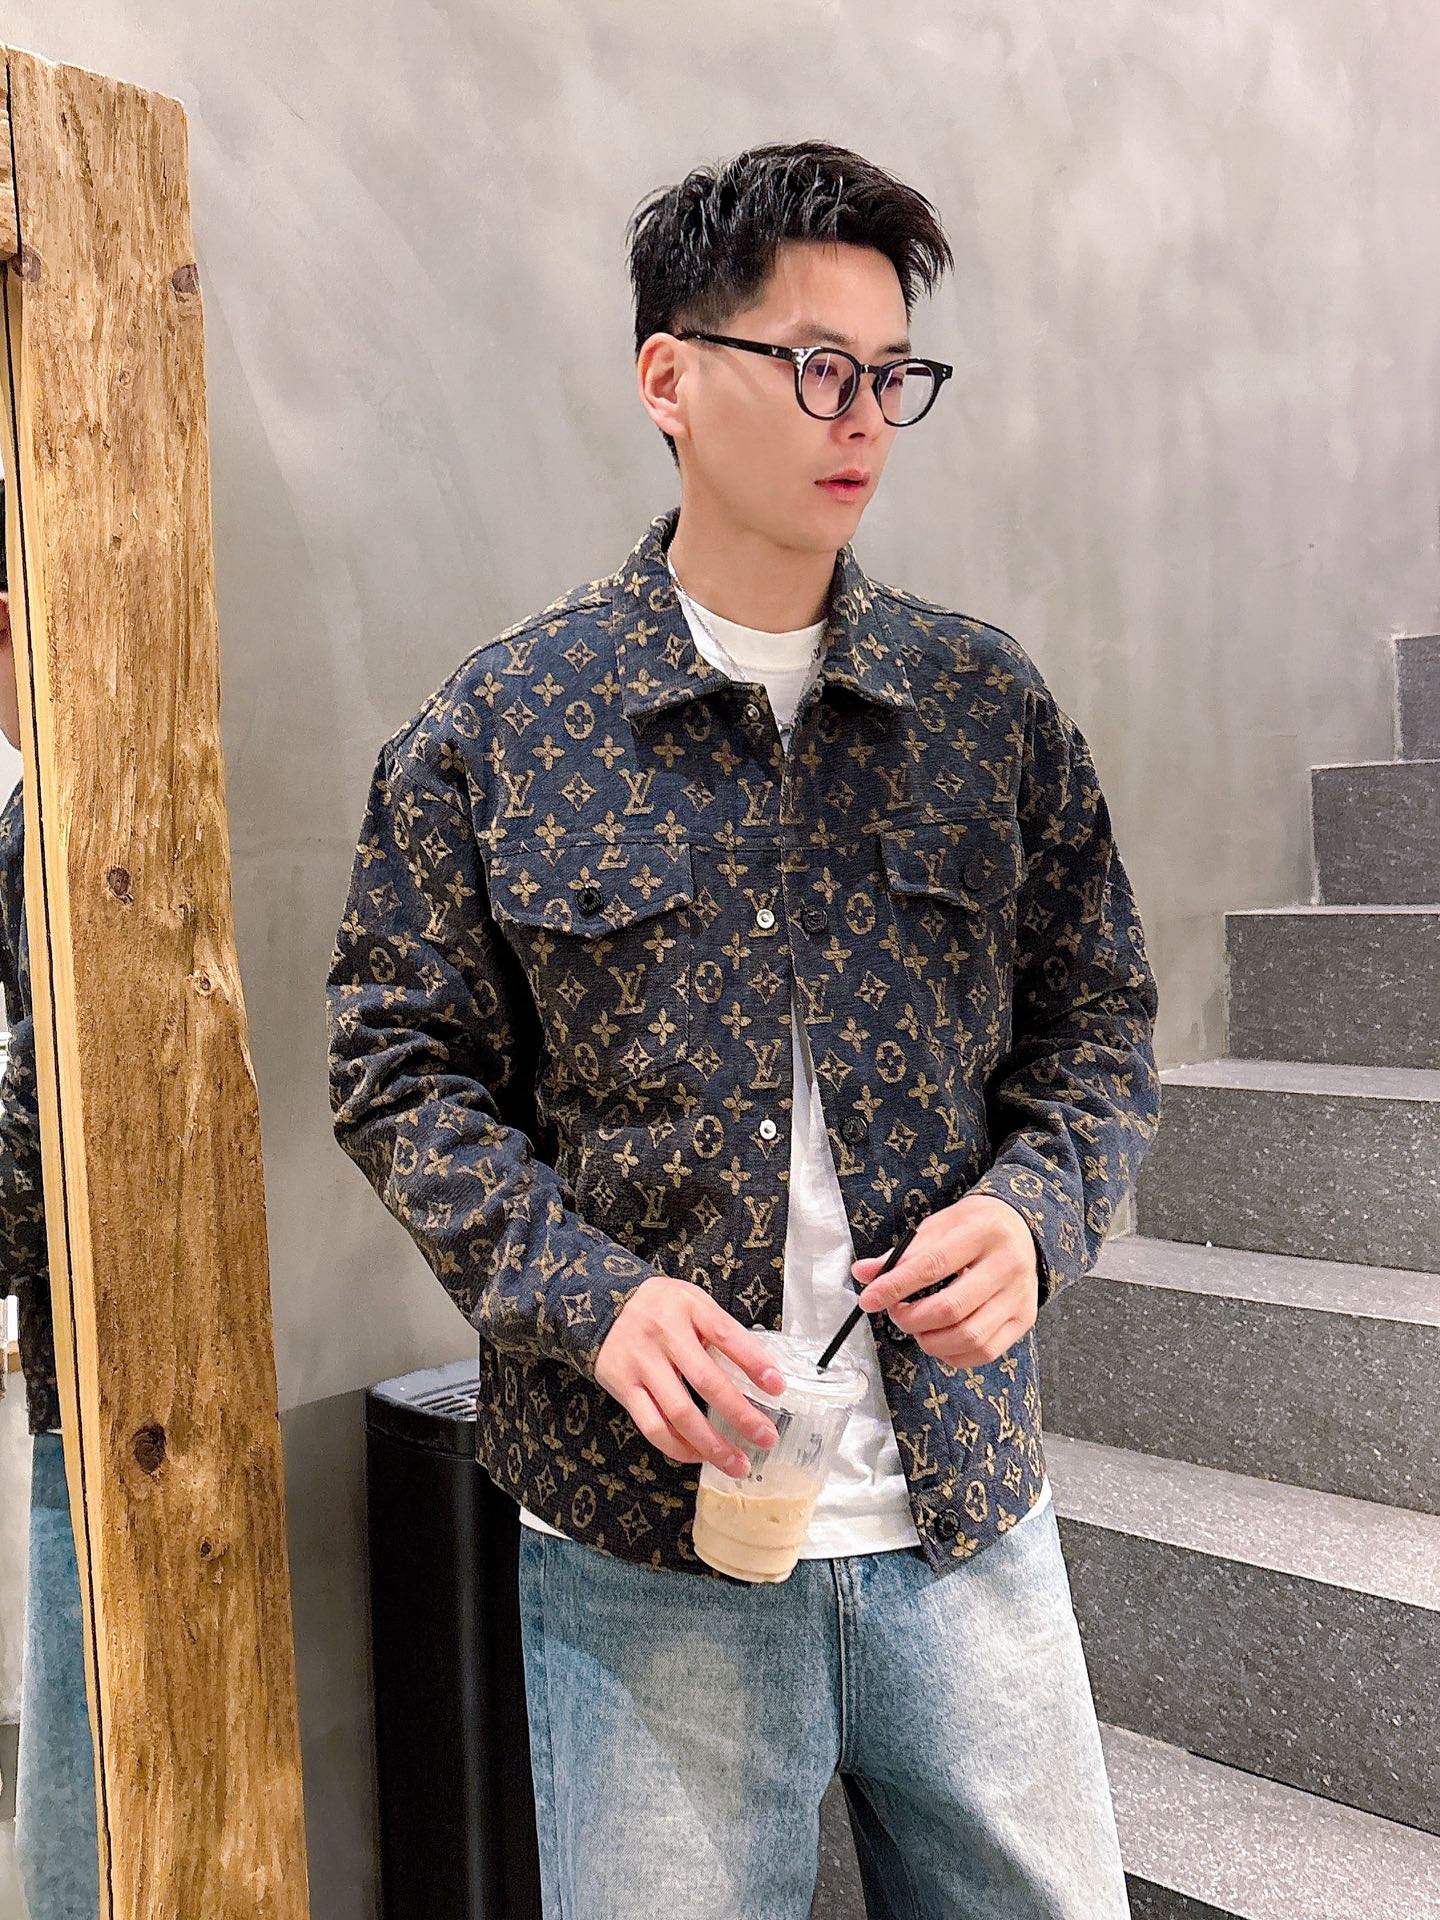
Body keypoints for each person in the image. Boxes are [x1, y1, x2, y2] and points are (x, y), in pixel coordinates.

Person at [326, 140, 1161, 1919]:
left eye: (892, 376)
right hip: (644, 1552)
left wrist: (1037, 1215)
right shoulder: (503, 728)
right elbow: (398, 1072)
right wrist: (591, 1296)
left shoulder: (985, 709)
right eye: (815, 366)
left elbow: (1098, 1027)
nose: (862, 419)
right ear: (669, 378)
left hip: (967, 1513)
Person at [0, 475, 102, 1918]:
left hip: (105, 1398)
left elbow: (36, 1162)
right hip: (76, 1387)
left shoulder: (59, 831)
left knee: (84, 1847)